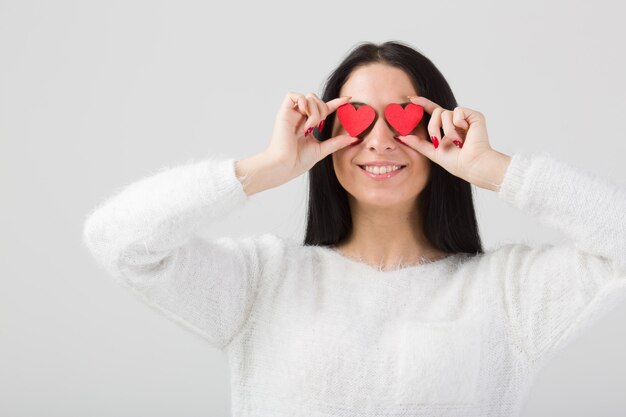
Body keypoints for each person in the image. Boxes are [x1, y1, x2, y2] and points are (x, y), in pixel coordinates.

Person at [82, 41, 626, 416]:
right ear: (325, 132)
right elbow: (118, 240)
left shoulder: (508, 294)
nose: (380, 141)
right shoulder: (262, 282)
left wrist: (496, 170)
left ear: (439, 132)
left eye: (406, 119)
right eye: (358, 119)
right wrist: (262, 169)